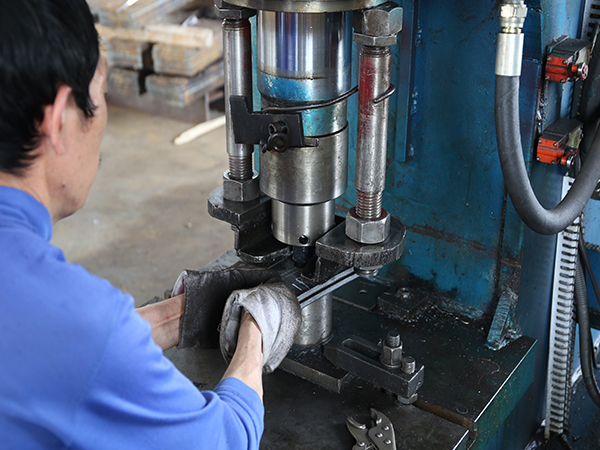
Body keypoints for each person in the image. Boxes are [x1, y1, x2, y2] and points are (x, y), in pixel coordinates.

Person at [0, 1, 299, 448]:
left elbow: (46, 347)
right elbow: (224, 439)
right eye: (100, 96)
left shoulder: (50, 316)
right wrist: (257, 329)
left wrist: (178, 315)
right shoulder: (76, 320)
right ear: (58, 120)